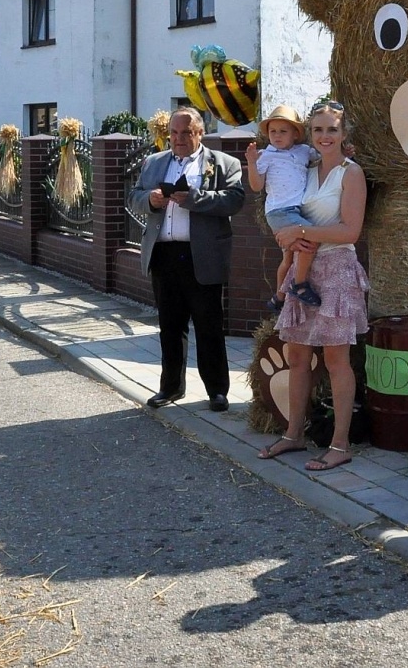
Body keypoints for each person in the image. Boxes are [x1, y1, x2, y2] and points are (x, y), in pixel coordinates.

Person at [255, 102, 368, 471]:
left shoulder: (352, 174)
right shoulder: (304, 168)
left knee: (336, 360)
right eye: (318, 130)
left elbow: (350, 231)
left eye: (331, 130)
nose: (324, 136)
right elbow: (279, 204)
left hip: (336, 267)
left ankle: (340, 444)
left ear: (344, 134)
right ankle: (293, 435)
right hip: (304, 265)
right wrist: (286, 238)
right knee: (298, 356)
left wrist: (300, 231)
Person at [128, 107, 245, 411]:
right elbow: (134, 197)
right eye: (174, 133)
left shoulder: (224, 163)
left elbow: (235, 200)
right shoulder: (154, 163)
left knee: (209, 325)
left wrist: (196, 198)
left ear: (200, 133)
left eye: (186, 133)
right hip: (164, 255)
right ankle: (170, 388)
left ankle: (217, 391)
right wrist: (151, 200)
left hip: (202, 254)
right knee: (170, 325)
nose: (179, 139)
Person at [244, 104, 320, 312]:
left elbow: (324, 159)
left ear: (295, 134)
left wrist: (345, 153)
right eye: (272, 131)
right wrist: (252, 163)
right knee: (311, 237)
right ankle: (300, 285)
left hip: (296, 210)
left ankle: (278, 297)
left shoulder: (305, 151)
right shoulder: (266, 155)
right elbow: (257, 185)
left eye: (283, 131)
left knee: (288, 256)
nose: (276, 136)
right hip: (279, 212)